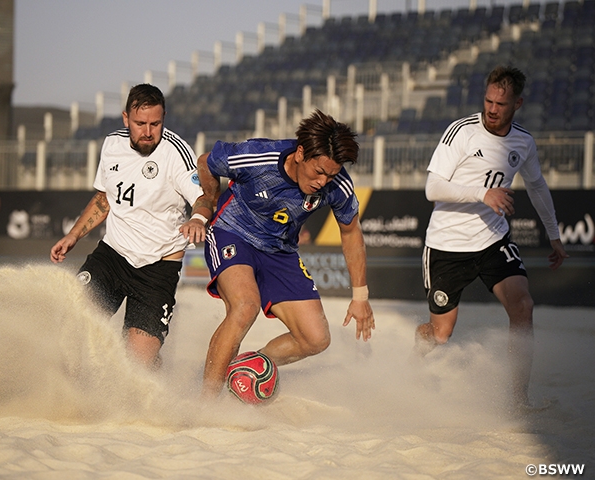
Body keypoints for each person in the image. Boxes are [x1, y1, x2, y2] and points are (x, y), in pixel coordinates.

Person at [414, 65, 569, 408]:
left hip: (492, 241)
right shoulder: (462, 132)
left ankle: (518, 399)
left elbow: (538, 186)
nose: (492, 109)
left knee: (523, 306)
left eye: (501, 103)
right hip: (447, 244)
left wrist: (554, 235)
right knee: (440, 335)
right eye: (488, 100)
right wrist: (482, 194)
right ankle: (417, 353)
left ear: (518, 104)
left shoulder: (523, 142)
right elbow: (432, 188)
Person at [197, 109, 376, 399]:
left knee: (315, 339)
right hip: (233, 232)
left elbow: (351, 232)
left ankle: (248, 367)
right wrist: (211, 197)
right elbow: (206, 162)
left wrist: (360, 296)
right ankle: (205, 403)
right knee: (245, 307)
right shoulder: (258, 157)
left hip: (280, 250)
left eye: (331, 175)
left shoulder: (337, 184)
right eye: (319, 172)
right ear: (300, 153)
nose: (323, 181)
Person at [50, 84, 211, 368]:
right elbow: (104, 199)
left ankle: (152, 364)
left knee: (137, 368)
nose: (148, 132)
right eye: (140, 124)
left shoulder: (176, 152)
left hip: (157, 270)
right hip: (112, 257)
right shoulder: (112, 145)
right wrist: (74, 235)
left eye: (155, 124)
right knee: (70, 327)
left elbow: (203, 197)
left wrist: (197, 218)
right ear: (126, 119)